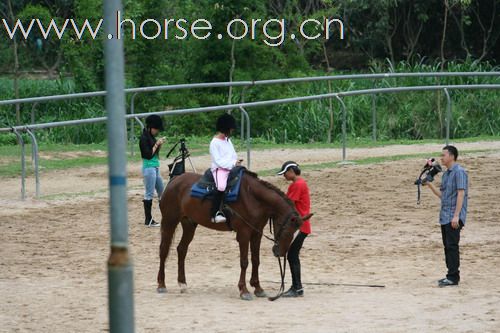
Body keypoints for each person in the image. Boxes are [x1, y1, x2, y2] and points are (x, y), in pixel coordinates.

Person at [425, 145, 468, 287]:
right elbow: (443, 196)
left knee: (452, 246)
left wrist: (456, 216)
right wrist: (429, 184)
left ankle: (453, 278)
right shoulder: (446, 174)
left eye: (443, 155)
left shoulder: (459, 172)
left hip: (453, 217)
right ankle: (450, 275)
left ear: (451, 156)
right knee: (447, 247)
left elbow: (461, 194)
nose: (441, 158)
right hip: (445, 216)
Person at [277, 161, 311, 297]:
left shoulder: (297, 185)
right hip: (302, 226)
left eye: (285, 173)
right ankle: (297, 287)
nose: (284, 176)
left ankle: (297, 288)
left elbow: (287, 204)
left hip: (300, 226)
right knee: (293, 255)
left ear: (291, 171)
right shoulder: (299, 183)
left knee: (292, 255)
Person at [210, 113, 242, 223]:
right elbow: (218, 161)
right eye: (231, 129)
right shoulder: (214, 143)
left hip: (231, 166)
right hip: (220, 169)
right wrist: (233, 163)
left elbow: (233, 154)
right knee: (221, 186)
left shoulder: (228, 141)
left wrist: (236, 161)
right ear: (225, 128)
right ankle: (215, 213)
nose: (232, 131)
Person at [139, 114, 166, 227]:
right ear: (150, 127)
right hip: (148, 168)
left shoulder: (151, 137)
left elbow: (155, 153)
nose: (157, 131)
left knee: (162, 193)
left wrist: (158, 144)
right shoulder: (143, 139)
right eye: (156, 129)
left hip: (155, 167)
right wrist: (157, 144)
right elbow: (148, 155)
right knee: (149, 193)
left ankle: (166, 217)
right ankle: (148, 220)